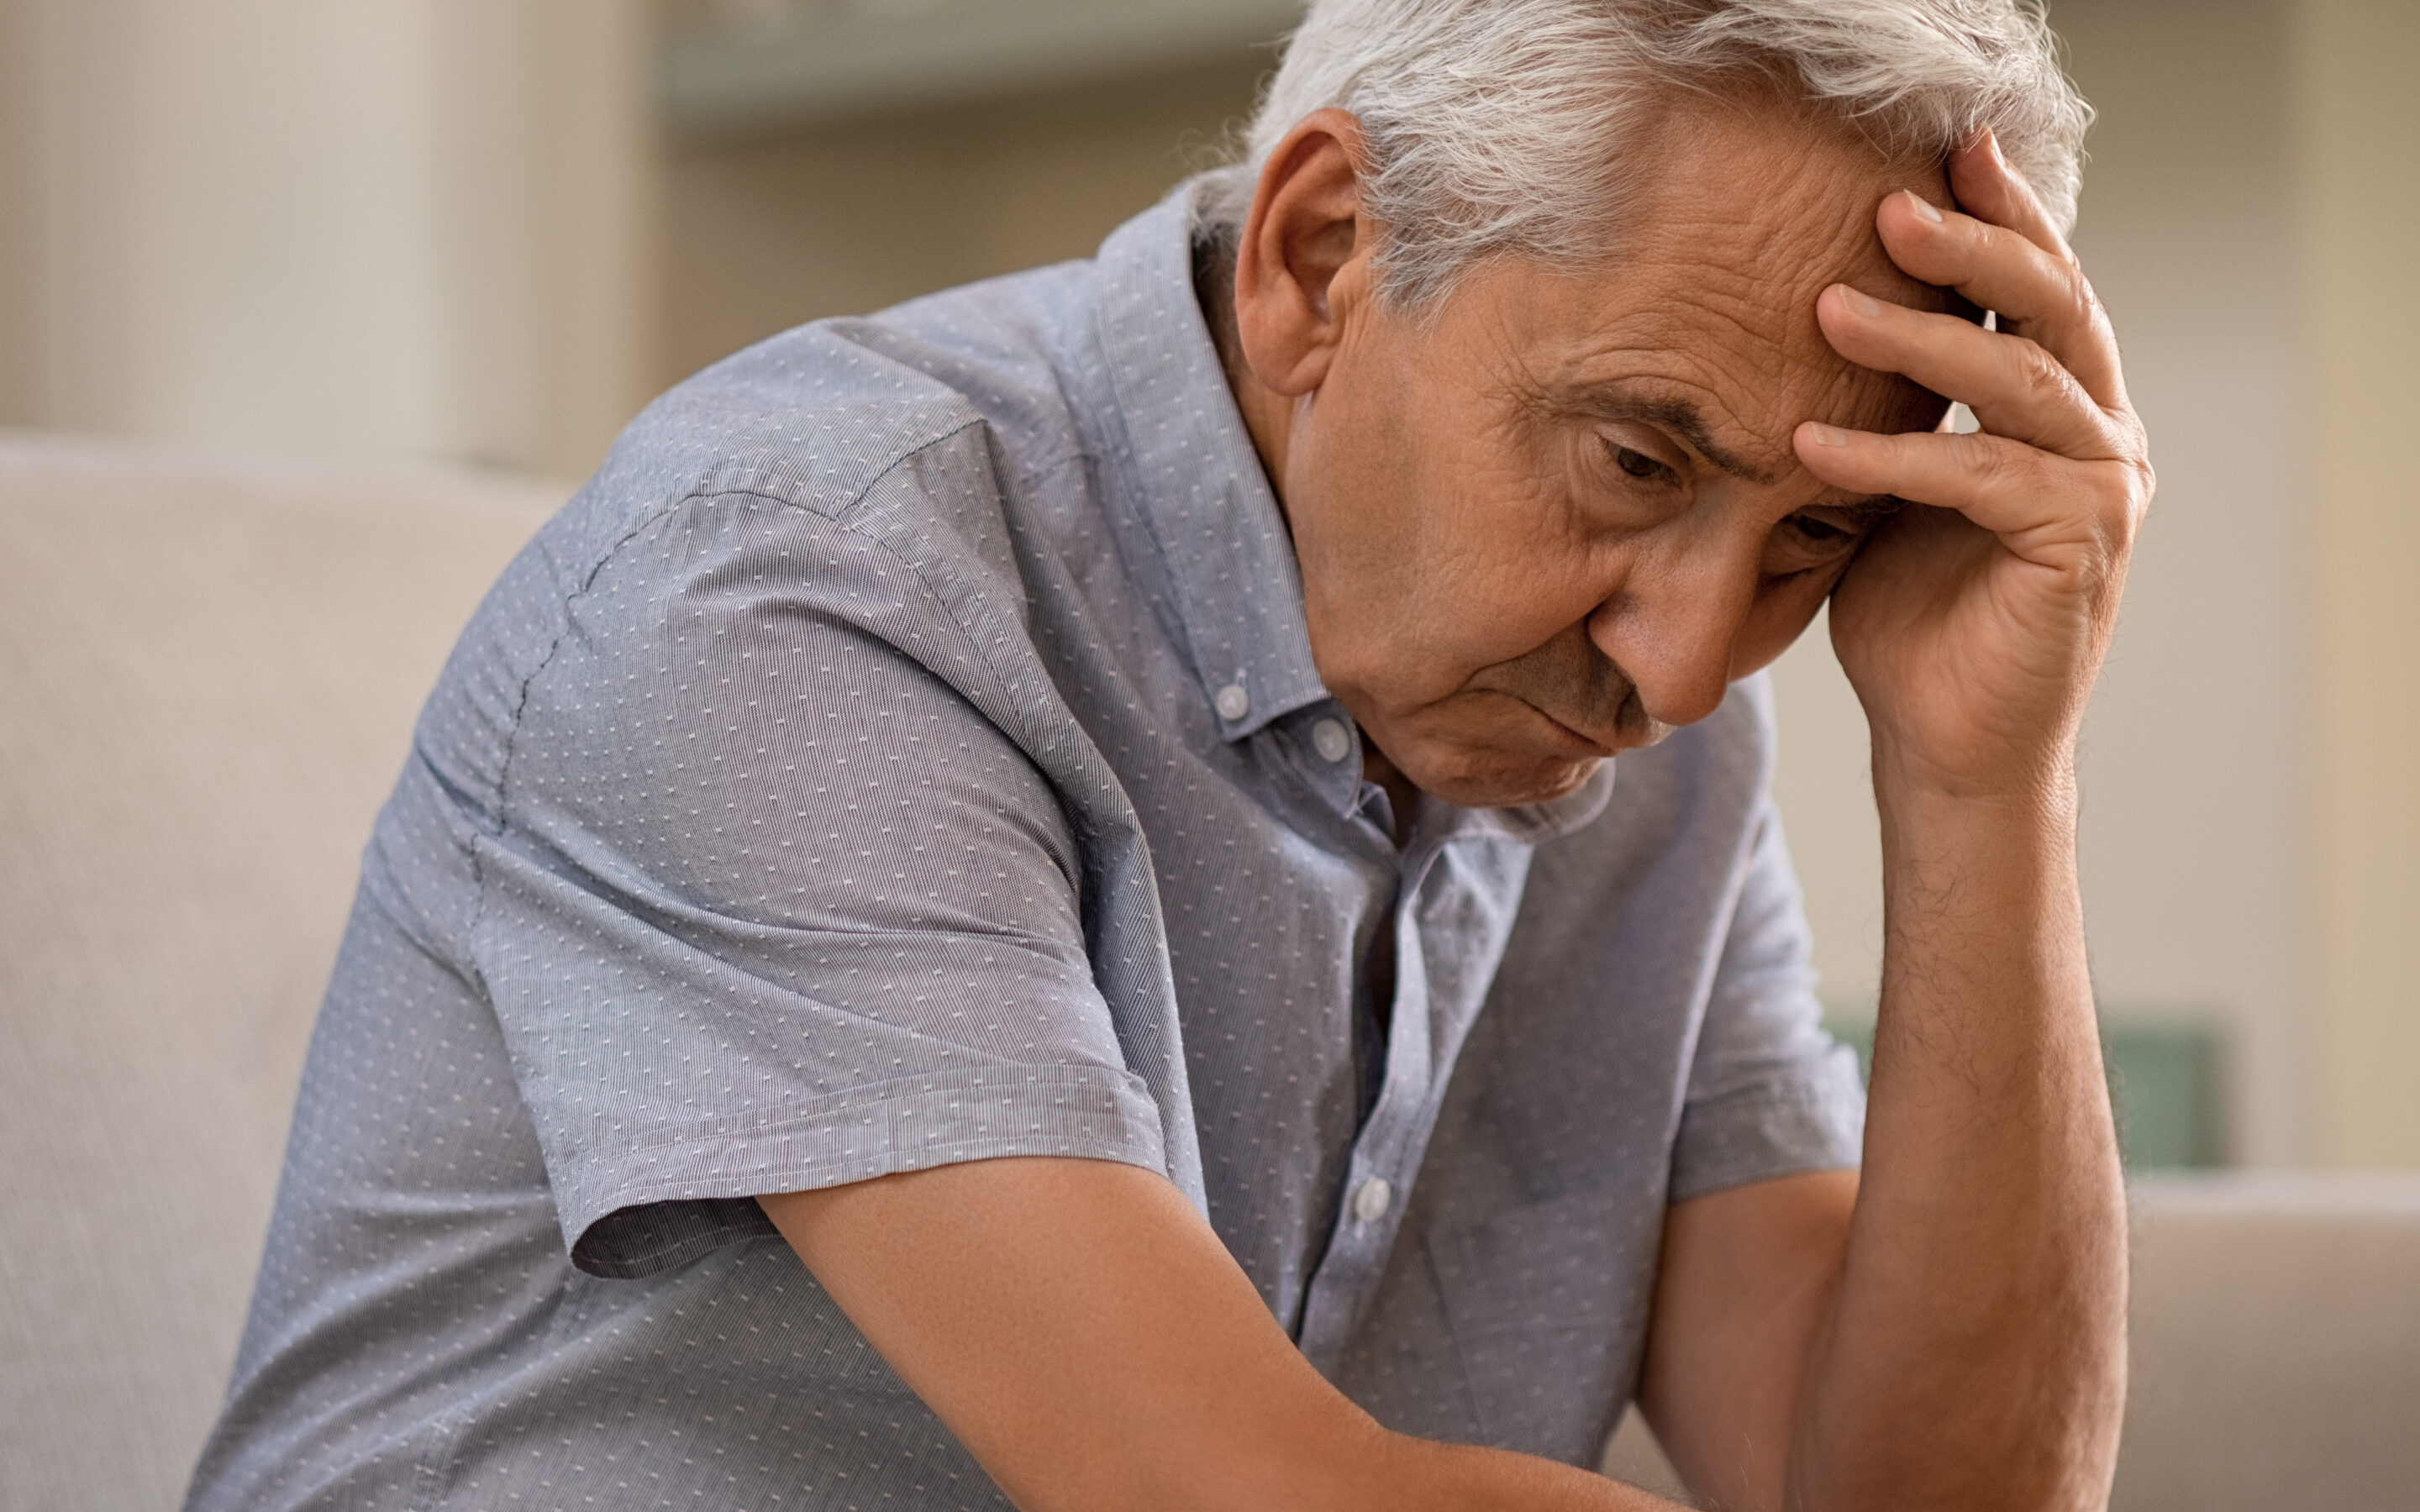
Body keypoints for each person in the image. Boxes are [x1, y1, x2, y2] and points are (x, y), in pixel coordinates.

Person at [187, 2, 2151, 1508]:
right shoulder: (800, 581)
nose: (1694, 661)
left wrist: (1990, 784)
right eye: (1638, 460)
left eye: (1810, 541)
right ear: (1320, 257)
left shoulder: (1645, 728)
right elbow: (1237, 1496)